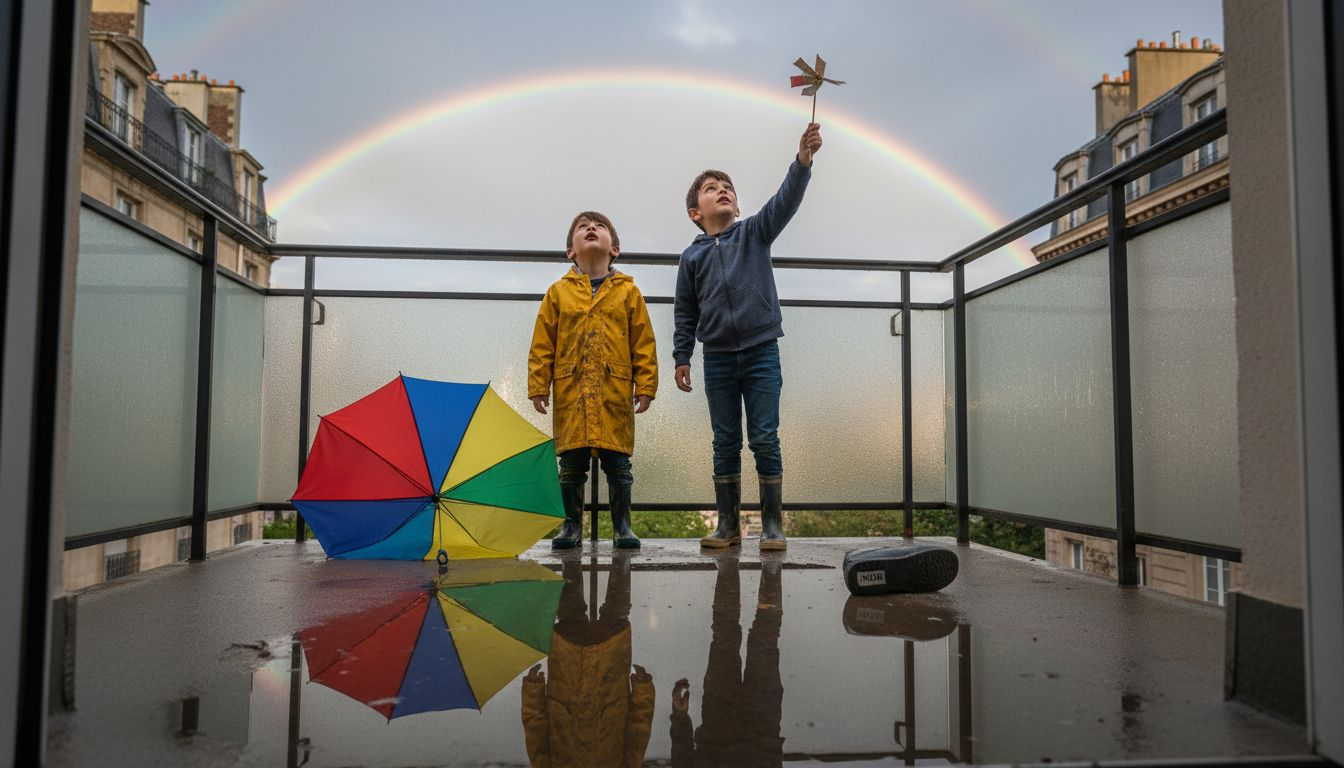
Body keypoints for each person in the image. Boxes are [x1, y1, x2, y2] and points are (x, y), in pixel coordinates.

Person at [673, 124, 823, 551]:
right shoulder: (692, 257)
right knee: (724, 440)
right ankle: (727, 525)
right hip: (717, 357)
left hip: (761, 352)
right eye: (711, 188)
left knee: (763, 436)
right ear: (695, 213)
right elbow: (686, 311)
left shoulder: (755, 232)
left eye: (728, 188)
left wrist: (802, 161)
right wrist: (682, 356)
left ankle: (773, 525)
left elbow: (785, 201)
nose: (722, 191)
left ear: (737, 205)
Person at [529, 211, 659, 549]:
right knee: (571, 465)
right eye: (582, 227)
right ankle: (570, 528)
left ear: (614, 248)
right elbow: (543, 343)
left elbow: (643, 342)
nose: (591, 229)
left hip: (614, 390)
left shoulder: (629, 293)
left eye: (599, 227)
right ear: (570, 251)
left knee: (618, 464)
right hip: (571, 390)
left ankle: (623, 527)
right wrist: (538, 385)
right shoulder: (557, 293)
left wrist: (646, 385)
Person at [522, 553, 654, 767]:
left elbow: (535, 731)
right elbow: (638, 735)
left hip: (567, 679)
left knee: (570, 614)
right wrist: (643, 691)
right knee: (615, 615)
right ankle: (621, 557)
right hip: (609, 688)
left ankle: (571, 552)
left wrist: (533, 692)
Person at [670, 552, 785, 766]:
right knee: (749, 638)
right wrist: (679, 718)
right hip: (750, 737)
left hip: (728, 731)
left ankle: (738, 561)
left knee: (747, 638)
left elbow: (682, 760)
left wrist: (680, 718)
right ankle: (752, 560)